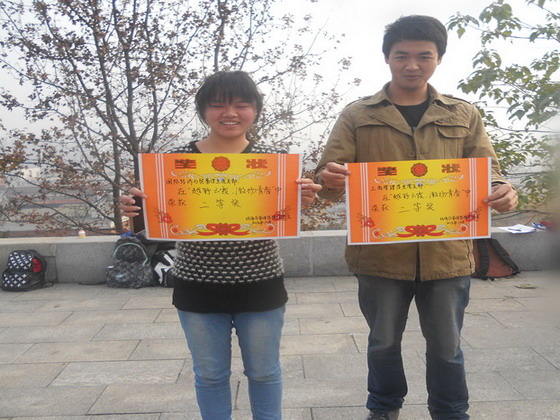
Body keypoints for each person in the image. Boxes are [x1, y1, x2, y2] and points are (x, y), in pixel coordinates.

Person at [314, 16, 518, 420]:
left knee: (447, 345)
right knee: (383, 342)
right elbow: (328, 179)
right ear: (387, 58)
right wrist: (328, 178)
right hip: (380, 254)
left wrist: (503, 190)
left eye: (424, 56)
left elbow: (488, 171)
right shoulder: (357, 114)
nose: (412, 65)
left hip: (447, 254)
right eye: (401, 55)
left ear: (438, 58)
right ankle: (383, 408)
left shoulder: (463, 113)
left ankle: (450, 412)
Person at [120, 71, 321, 420]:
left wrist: (303, 199)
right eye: (218, 105)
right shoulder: (174, 163)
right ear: (203, 110)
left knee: (264, 372)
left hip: (260, 281)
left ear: (255, 110)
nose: (230, 113)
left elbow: (286, 213)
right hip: (197, 283)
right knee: (210, 375)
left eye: (242, 104)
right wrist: (134, 210)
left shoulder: (275, 163)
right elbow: (153, 227)